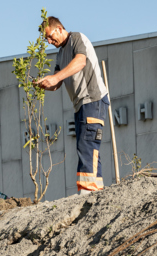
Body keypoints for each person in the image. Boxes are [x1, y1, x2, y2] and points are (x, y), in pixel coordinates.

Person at [36, 16, 109, 195]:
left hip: (93, 99)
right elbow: (57, 84)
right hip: (80, 105)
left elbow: (80, 62)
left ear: (59, 28)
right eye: (46, 39)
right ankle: (92, 190)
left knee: (87, 144)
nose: (49, 41)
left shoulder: (77, 38)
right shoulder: (60, 54)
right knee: (85, 146)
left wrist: (56, 77)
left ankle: (88, 191)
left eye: (51, 37)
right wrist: (45, 83)